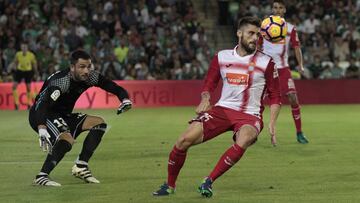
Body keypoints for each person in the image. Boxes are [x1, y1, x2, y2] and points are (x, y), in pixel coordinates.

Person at [153, 16, 281, 198]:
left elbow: (276, 95)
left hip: (250, 115)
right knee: (183, 140)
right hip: (222, 110)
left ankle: (208, 181)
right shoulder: (222, 57)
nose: (255, 38)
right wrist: (205, 98)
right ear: (239, 33)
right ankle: (170, 185)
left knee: (244, 139)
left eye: (258, 35)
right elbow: (209, 84)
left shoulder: (267, 62)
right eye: (251, 33)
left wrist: (272, 122)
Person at [29, 50, 132, 186]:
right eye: (82, 67)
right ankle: (41, 176)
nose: (87, 71)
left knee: (99, 124)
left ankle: (81, 166)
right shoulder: (61, 82)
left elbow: (112, 86)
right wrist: (41, 127)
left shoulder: (90, 77)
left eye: (89, 66)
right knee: (67, 139)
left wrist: (125, 99)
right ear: (72, 67)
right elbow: (43, 104)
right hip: (42, 115)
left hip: (64, 115)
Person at [258, 0, 309, 144]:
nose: (277, 10)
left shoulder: (290, 28)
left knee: (293, 98)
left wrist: (300, 64)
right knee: (258, 102)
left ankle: (299, 132)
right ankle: (253, 131)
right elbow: (258, 46)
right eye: (275, 7)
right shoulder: (264, 26)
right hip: (266, 68)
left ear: (284, 10)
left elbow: (296, 47)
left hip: (283, 69)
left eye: (280, 7)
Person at [13, 43, 38, 110]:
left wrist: (36, 72)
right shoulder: (18, 54)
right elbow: (15, 62)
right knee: (14, 86)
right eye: (23, 47)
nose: (24, 48)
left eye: (25, 47)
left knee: (28, 87)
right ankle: (16, 104)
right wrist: (15, 67)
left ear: (27, 48)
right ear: (21, 48)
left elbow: (34, 64)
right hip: (20, 71)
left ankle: (29, 103)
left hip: (28, 71)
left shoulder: (31, 55)